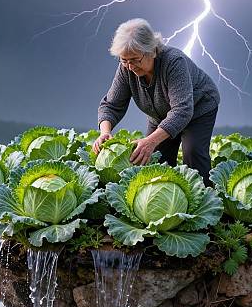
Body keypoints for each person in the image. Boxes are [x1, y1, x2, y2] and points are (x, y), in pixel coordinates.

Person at [94, 18, 220, 186]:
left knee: (193, 153)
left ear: (151, 51)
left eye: (134, 60)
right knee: (156, 161)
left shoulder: (174, 62)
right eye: (124, 60)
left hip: (197, 108)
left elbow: (182, 110)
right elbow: (111, 104)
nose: (130, 66)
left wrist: (151, 140)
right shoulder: (126, 67)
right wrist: (105, 132)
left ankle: (205, 202)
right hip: (160, 115)